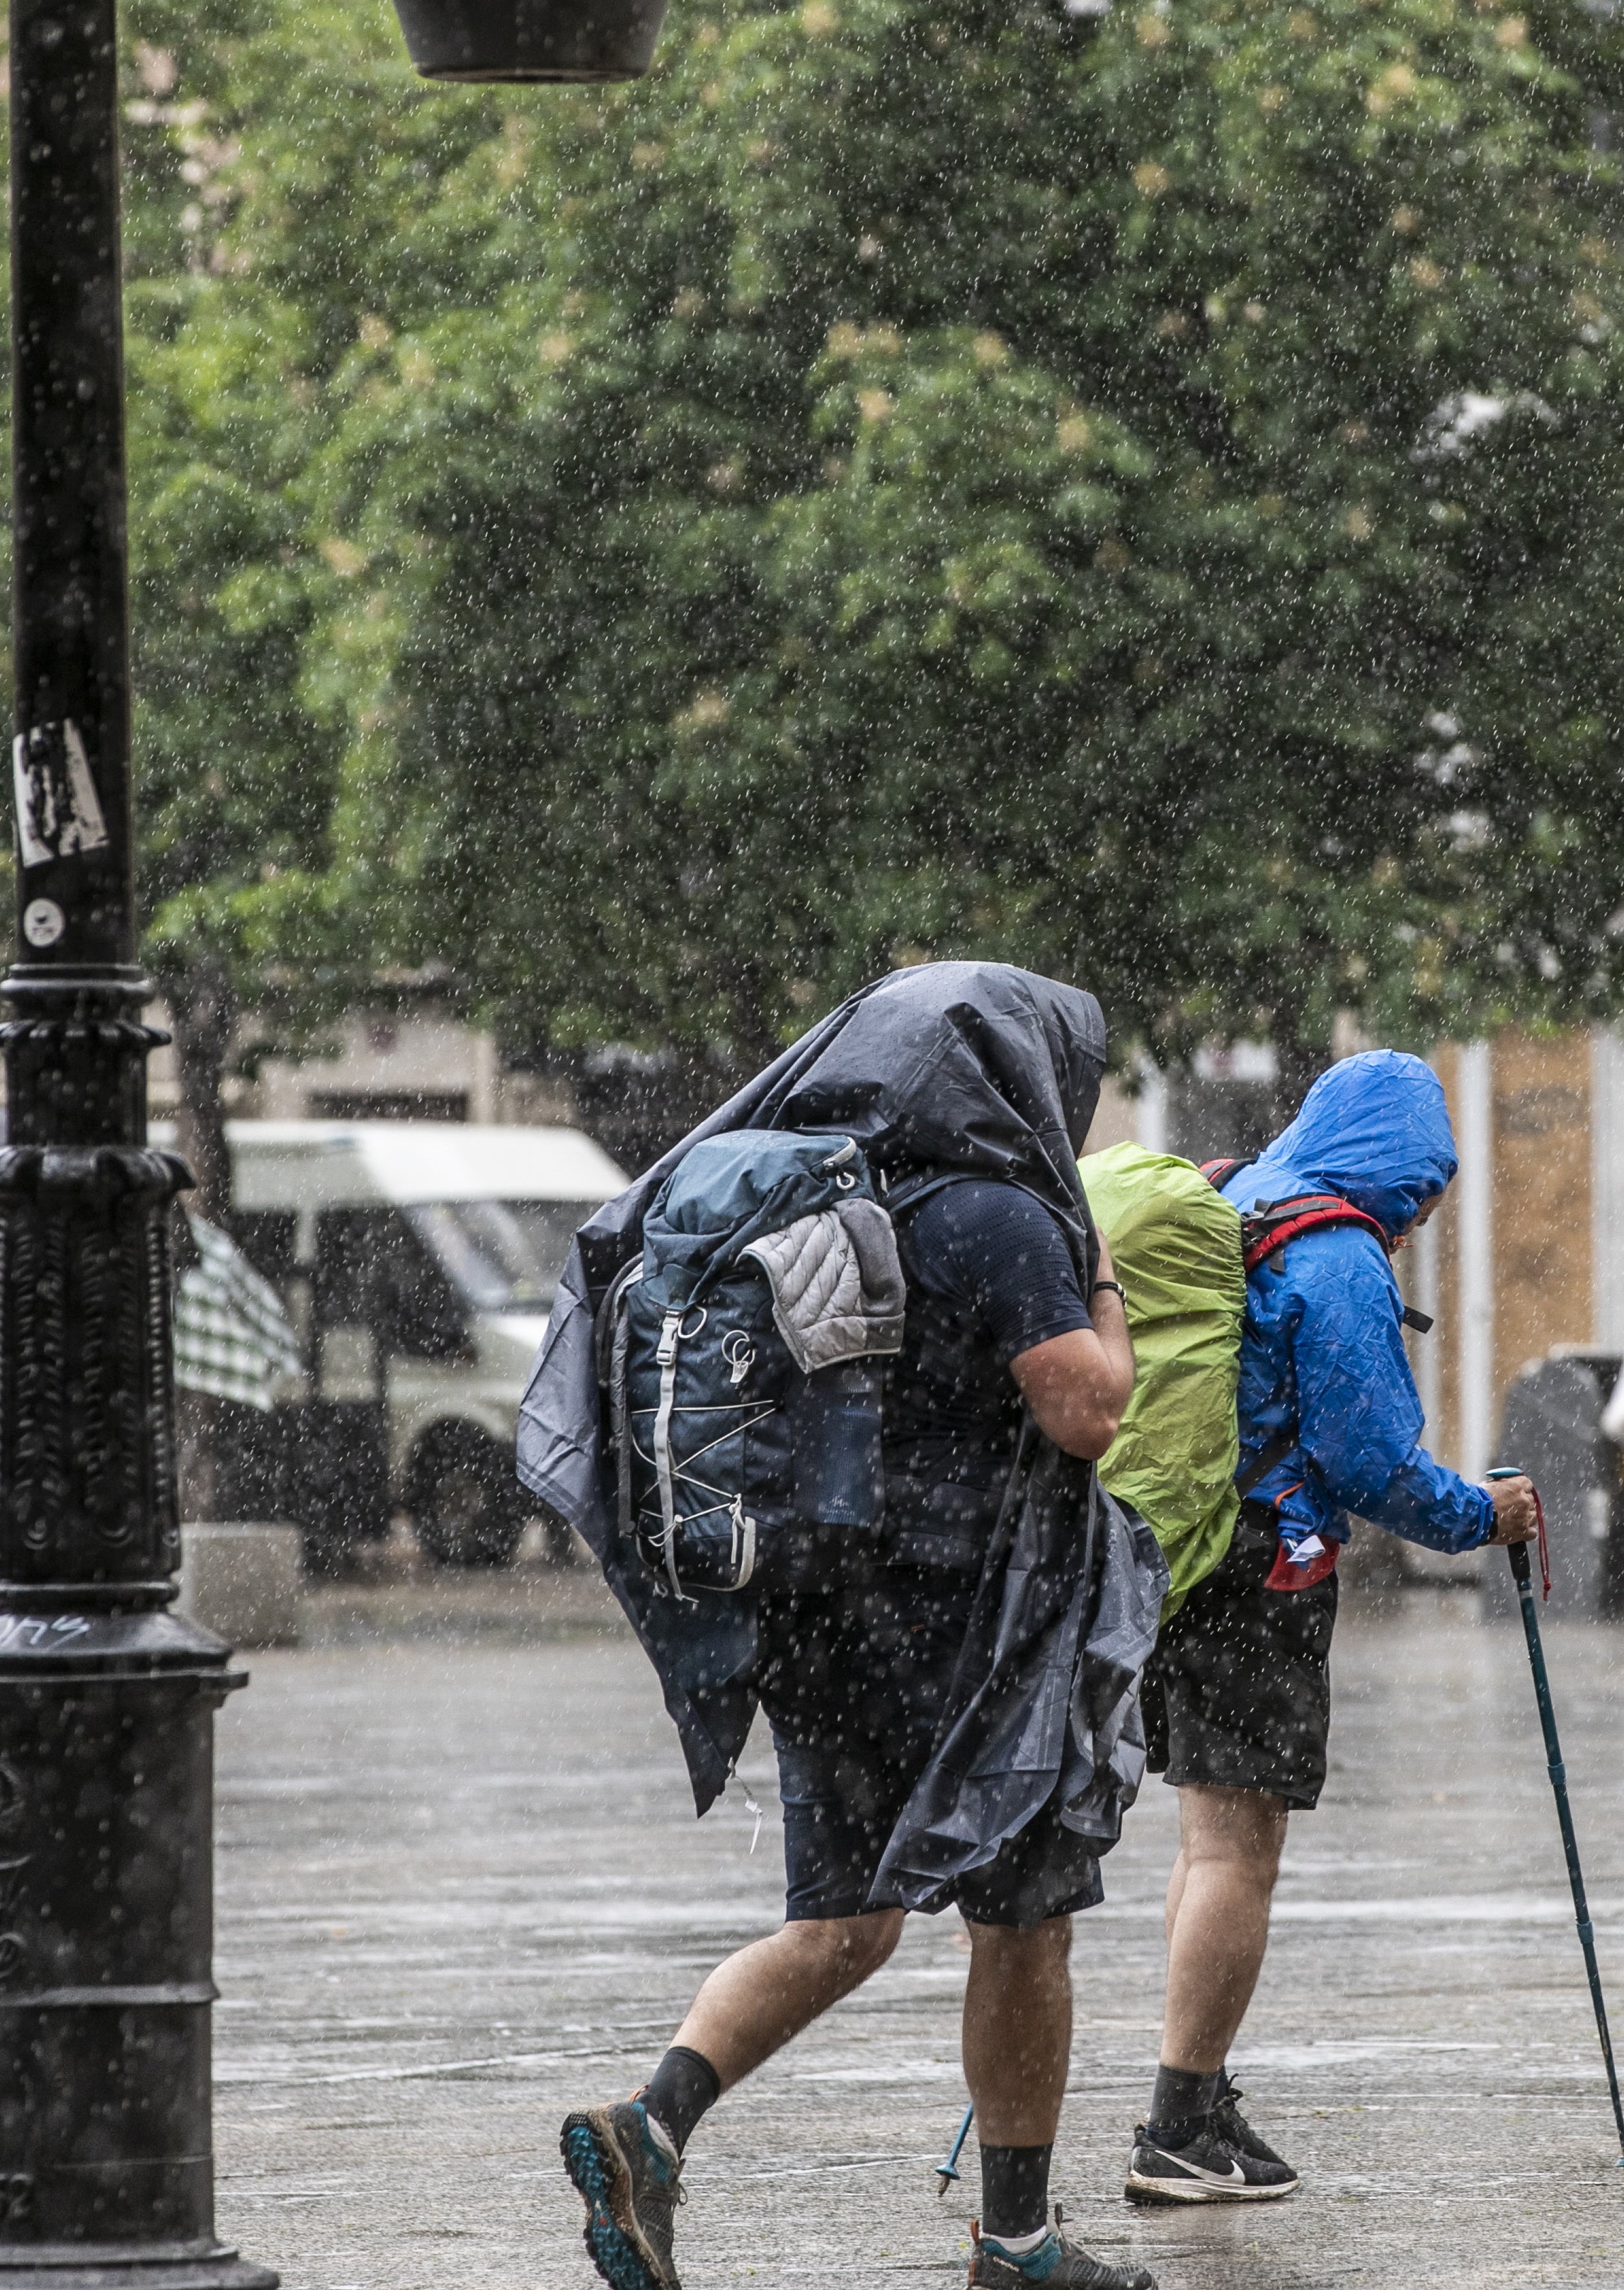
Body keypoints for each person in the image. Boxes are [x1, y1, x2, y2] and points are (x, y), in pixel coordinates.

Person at [544, 965, 1160, 2290]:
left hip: (823, 1620)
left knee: (845, 1921)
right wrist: (1102, 1288)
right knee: (1020, 1919)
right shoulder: (1002, 1217)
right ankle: (1018, 2243)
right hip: (975, 1634)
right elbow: (1089, 1413)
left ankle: (653, 2124)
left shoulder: (831, 1195)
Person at [1126, 1050, 1542, 2204]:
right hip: (1268, 1569)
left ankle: (1196, 2096)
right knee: (1236, 1854)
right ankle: (1177, 2123)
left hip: (1190, 1554)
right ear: (1398, 1166)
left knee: (1205, 1840)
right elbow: (1369, 1461)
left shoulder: (1236, 1199)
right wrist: (1482, 1516)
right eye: (1423, 1188)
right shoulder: (1335, 1253)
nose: (1417, 1216)